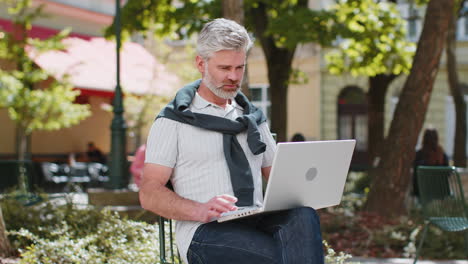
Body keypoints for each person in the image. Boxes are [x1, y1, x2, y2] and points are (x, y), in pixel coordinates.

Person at [140, 18, 323, 264]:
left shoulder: (253, 118)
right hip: (205, 231)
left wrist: (313, 183)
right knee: (282, 256)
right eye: (224, 68)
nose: (234, 77)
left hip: (256, 221)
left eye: (240, 68)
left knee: (303, 216)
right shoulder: (173, 121)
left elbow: (280, 176)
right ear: (200, 64)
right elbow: (149, 193)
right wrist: (199, 209)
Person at [413, 128, 449, 197]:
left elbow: (415, 177)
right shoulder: (442, 155)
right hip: (441, 194)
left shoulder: (419, 155)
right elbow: (448, 173)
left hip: (422, 194)